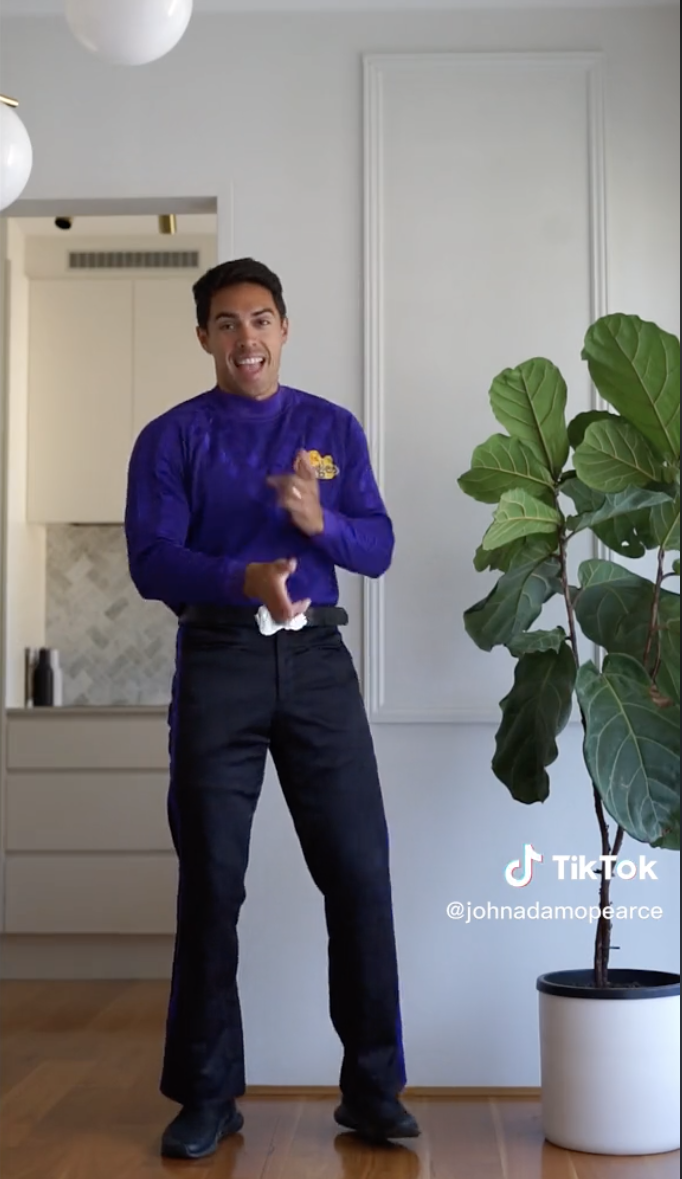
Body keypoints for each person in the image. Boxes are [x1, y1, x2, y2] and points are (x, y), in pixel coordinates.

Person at [124, 258, 420, 1161]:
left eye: (259, 320)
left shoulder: (331, 427)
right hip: (219, 660)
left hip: (319, 664)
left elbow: (380, 545)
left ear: (284, 328)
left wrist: (316, 522)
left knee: (360, 875)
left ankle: (374, 1093)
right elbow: (149, 558)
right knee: (212, 884)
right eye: (225, 323)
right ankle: (208, 1096)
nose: (244, 338)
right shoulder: (170, 437)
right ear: (205, 337)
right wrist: (239, 577)